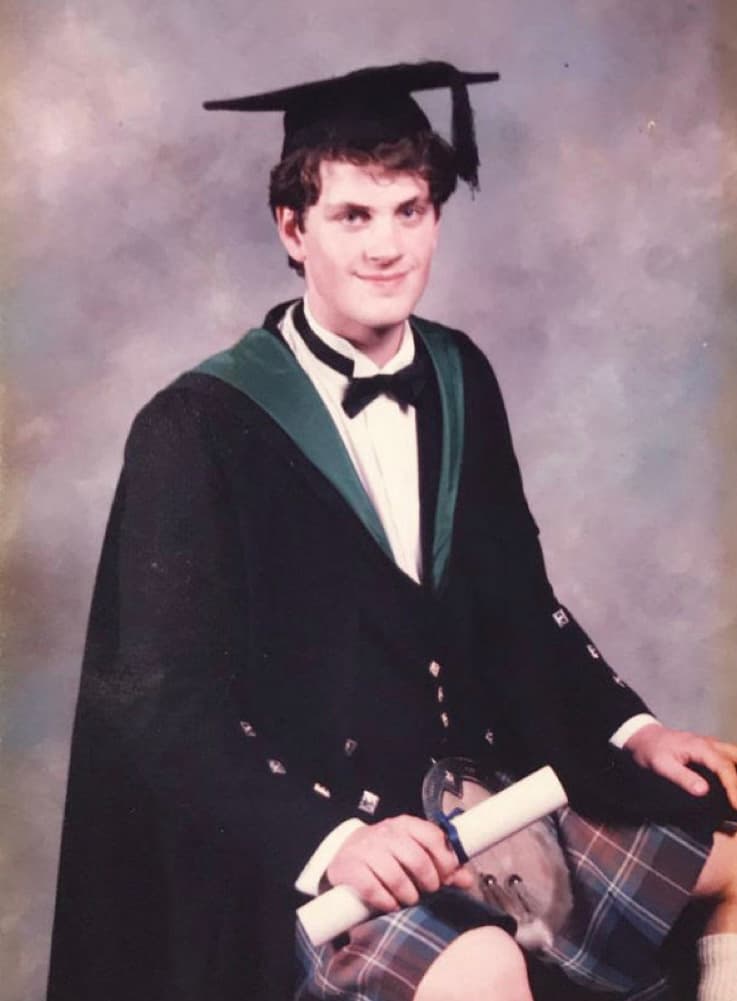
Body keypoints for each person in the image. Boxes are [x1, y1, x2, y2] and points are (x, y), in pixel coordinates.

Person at [47, 62, 737, 1001]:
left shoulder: (459, 372)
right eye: (352, 216)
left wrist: (635, 727)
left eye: (409, 211)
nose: (386, 247)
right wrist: (332, 841)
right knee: (482, 968)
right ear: (292, 230)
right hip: (310, 845)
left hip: (480, 808)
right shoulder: (198, 424)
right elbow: (165, 709)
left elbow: (519, 602)